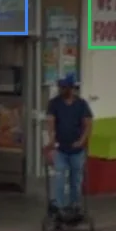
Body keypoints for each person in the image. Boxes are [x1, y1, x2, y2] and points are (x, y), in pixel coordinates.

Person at [45, 74, 93, 213]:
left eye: (65, 87)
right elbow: (50, 122)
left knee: (76, 180)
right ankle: (60, 207)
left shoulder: (81, 104)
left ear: (72, 88)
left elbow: (88, 124)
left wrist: (81, 141)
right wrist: (52, 140)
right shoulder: (55, 103)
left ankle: (75, 205)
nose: (62, 89)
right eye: (61, 87)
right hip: (61, 148)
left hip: (77, 149)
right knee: (59, 176)